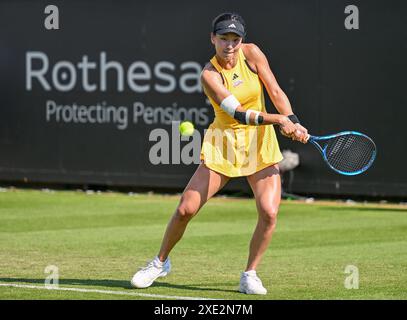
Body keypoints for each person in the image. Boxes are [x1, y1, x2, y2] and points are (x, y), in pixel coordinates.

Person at [131, 12, 308, 295]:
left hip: (259, 145)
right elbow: (237, 113)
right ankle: (159, 262)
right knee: (185, 208)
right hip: (224, 144)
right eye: (223, 38)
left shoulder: (253, 54)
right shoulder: (209, 75)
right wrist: (279, 121)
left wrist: (294, 120)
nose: (229, 45)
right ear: (213, 39)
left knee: (269, 212)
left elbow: (274, 90)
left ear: (242, 40)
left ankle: (249, 274)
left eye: (235, 39)